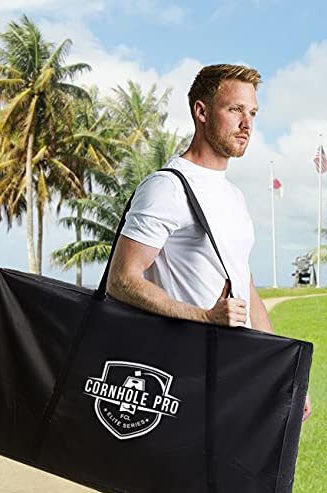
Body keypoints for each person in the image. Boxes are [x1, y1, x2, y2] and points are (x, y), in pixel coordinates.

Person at [106, 63, 311, 422]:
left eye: (252, 113)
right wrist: (203, 317)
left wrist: (282, 372)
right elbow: (121, 280)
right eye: (235, 110)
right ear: (201, 112)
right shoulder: (167, 188)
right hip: (179, 379)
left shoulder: (234, 196)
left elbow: (244, 288)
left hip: (228, 375)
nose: (246, 124)